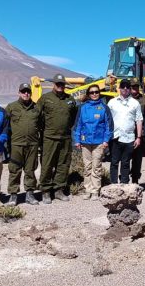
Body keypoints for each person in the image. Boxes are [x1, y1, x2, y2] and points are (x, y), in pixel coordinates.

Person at [38, 74, 78, 203]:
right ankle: (45, 191)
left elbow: (73, 117)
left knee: (63, 164)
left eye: (62, 84)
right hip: (49, 137)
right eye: (58, 84)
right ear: (53, 84)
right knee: (47, 164)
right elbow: (38, 117)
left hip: (65, 138)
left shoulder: (70, 99)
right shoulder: (45, 98)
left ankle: (59, 190)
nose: (60, 86)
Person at [72, 85, 112, 199]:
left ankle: (95, 190)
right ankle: (87, 189)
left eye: (96, 92)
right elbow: (78, 124)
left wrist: (106, 140)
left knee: (96, 166)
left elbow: (109, 126)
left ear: (99, 93)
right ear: (88, 94)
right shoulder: (83, 107)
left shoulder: (104, 108)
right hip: (85, 142)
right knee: (87, 166)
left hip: (99, 142)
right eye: (92, 92)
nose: (94, 94)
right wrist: (77, 140)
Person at [6, 83, 43, 204]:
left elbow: (41, 126)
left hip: (32, 145)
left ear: (31, 93)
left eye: (28, 91)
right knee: (14, 170)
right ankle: (13, 195)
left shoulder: (36, 108)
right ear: (19, 93)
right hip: (16, 145)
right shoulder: (11, 107)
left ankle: (30, 194)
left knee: (30, 170)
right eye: (23, 91)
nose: (26, 93)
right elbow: (5, 127)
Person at [107, 79, 144, 184]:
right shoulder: (112, 102)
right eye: (123, 86)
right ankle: (113, 184)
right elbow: (107, 119)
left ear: (130, 89)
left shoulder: (135, 103)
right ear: (119, 88)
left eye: (127, 87)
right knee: (114, 162)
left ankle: (124, 184)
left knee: (125, 162)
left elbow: (139, 120)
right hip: (115, 137)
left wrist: (138, 137)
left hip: (129, 138)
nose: (125, 89)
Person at [128, 82, 145, 185]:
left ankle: (135, 179)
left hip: (139, 132)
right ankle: (124, 178)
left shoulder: (144, 99)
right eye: (133, 87)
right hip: (127, 132)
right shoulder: (125, 99)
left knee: (137, 158)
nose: (135, 89)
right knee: (126, 157)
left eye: (136, 87)